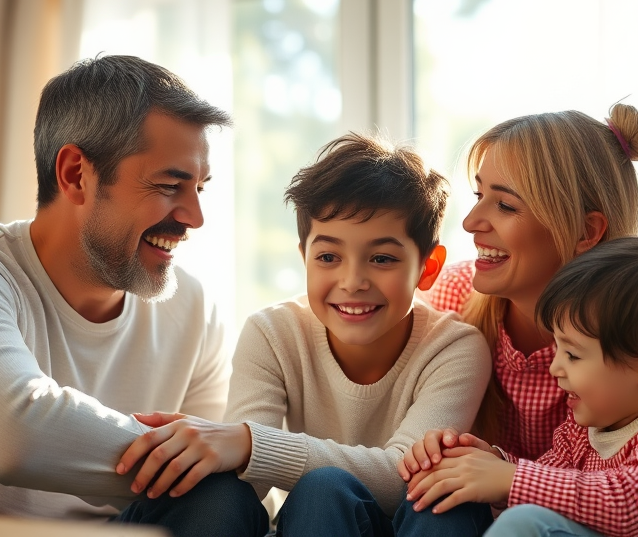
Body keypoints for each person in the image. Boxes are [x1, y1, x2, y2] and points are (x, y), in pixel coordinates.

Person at [0, 55, 269, 536]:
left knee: (218, 495)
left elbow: (205, 470)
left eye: (200, 188)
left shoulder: (193, 309)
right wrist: (180, 454)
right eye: (170, 185)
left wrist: (213, 456)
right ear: (74, 174)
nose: (194, 217)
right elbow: (11, 434)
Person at [394, 104, 638, 532]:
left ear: (587, 231)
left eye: (506, 205)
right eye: (479, 196)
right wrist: (482, 460)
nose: (472, 222)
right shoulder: (458, 294)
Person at [115, 132, 493, 536]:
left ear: (428, 268)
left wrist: (248, 443)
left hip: (408, 523)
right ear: (305, 258)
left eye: (382, 258)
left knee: (375, 492)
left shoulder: (455, 348)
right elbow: (248, 481)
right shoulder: (273, 332)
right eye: (328, 257)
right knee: (262, 492)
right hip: (319, 519)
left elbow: (403, 476)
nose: (352, 281)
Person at [406, 236, 638, 536]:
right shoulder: (587, 429)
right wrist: (487, 463)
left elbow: (630, 507)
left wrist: (510, 478)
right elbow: (550, 483)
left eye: (573, 355)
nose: (555, 367)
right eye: (557, 347)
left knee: (527, 526)